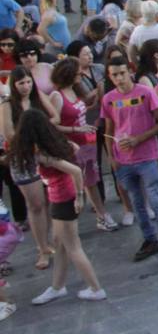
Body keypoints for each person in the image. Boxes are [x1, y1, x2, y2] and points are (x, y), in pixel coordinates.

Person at [16, 109, 107, 305]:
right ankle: (57, 287)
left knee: (73, 247)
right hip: (62, 197)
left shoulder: (44, 154)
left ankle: (96, 288)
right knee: (60, 244)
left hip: (64, 198)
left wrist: (80, 197)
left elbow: (75, 171)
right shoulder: (55, 143)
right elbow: (75, 150)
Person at [102, 55, 158, 271]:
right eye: (114, 75)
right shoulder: (108, 99)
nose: (119, 78)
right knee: (137, 203)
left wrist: (139, 139)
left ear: (129, 72)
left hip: (146, 157)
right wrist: (112, 157)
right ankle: (150, 239)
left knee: (156, 202)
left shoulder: (146, 93)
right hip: (123, 159)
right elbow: (109, 130)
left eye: (122, 73)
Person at [48, 58, 117, 231]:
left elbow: (83, 109)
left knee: (91, 181)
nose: (80, 74)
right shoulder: (57, 96)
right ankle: (75, 220)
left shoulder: (74, 91)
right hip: (71, 146)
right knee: (77, 183)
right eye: (77, 72)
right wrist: (75, 129)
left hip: (86, 143)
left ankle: (101, 215)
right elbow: (51, 125)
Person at [1, 66, 57, 268]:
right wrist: (32, 134)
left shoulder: (37, 97)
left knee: (48, 201)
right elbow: (9, 134)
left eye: (28, 82)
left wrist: (41, 129)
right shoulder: (8, 105)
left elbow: (55, 116)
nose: (26, 86)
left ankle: (48, 242)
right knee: (35, 205)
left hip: (44, 154)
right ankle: (42, 249)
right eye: (21, 83)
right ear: (14, 85)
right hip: (23, 159)